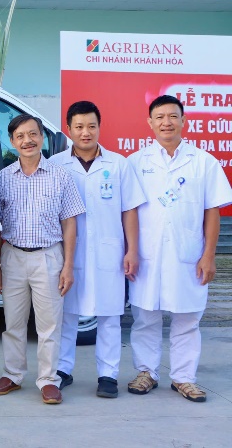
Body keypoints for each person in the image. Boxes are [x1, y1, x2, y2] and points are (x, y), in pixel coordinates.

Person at [126, 95, 232, 402]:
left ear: (184, 121)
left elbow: (212, 211)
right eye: (159, 117)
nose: (166, 123)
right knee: (145, 316)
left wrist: (209, 255)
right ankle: (146, 372)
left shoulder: (203, 162)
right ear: (149, 123)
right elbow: (129, 210)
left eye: (173, 116)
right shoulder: (136, 162)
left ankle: (184, 378)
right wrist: (131, 250)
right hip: (147, 254)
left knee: (188, 319)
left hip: (189, 255)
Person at [49, 101, 145, 399]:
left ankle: (108, 375)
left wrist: (132, 250)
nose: (85, 132)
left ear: (99, 127)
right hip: (68, 252)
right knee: (65, 314)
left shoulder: (118, 164)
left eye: (91, 126)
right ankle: (62, 370)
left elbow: (129, 210)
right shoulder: (55, 164)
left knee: (109, 315)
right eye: (79, 126)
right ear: (68, 129)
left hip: (108, 250)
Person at [0, 114, 84, 405]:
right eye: (20, 136)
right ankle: (13, 374)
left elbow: (70, 222)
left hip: (49, 256)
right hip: (13, 256)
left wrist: (68, 266)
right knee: (13, 322)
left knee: (49, 325)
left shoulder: (60, 175)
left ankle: (48, 380)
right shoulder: (2, 178)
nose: (27, 141)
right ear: (11, 141)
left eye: (33, 134)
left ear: (42, 137)